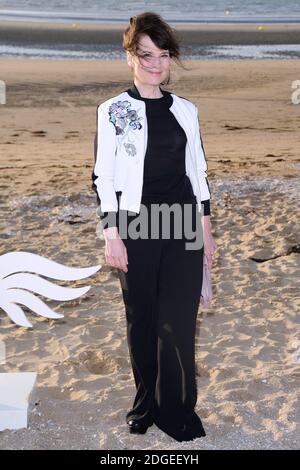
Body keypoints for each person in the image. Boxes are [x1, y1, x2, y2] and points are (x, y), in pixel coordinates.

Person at [91, 11, 217, 442]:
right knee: (142, 320)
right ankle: (144, 407)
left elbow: (199, 173)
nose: (155, 65)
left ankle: (178, 412)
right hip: (136, 224)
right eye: (146, 55)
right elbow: (102, 177)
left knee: (178, 322)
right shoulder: (112, 111)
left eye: (163, 56)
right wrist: (112, 234)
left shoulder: (186, 110)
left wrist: (206, 227)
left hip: (182, 222)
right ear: (129, 56)